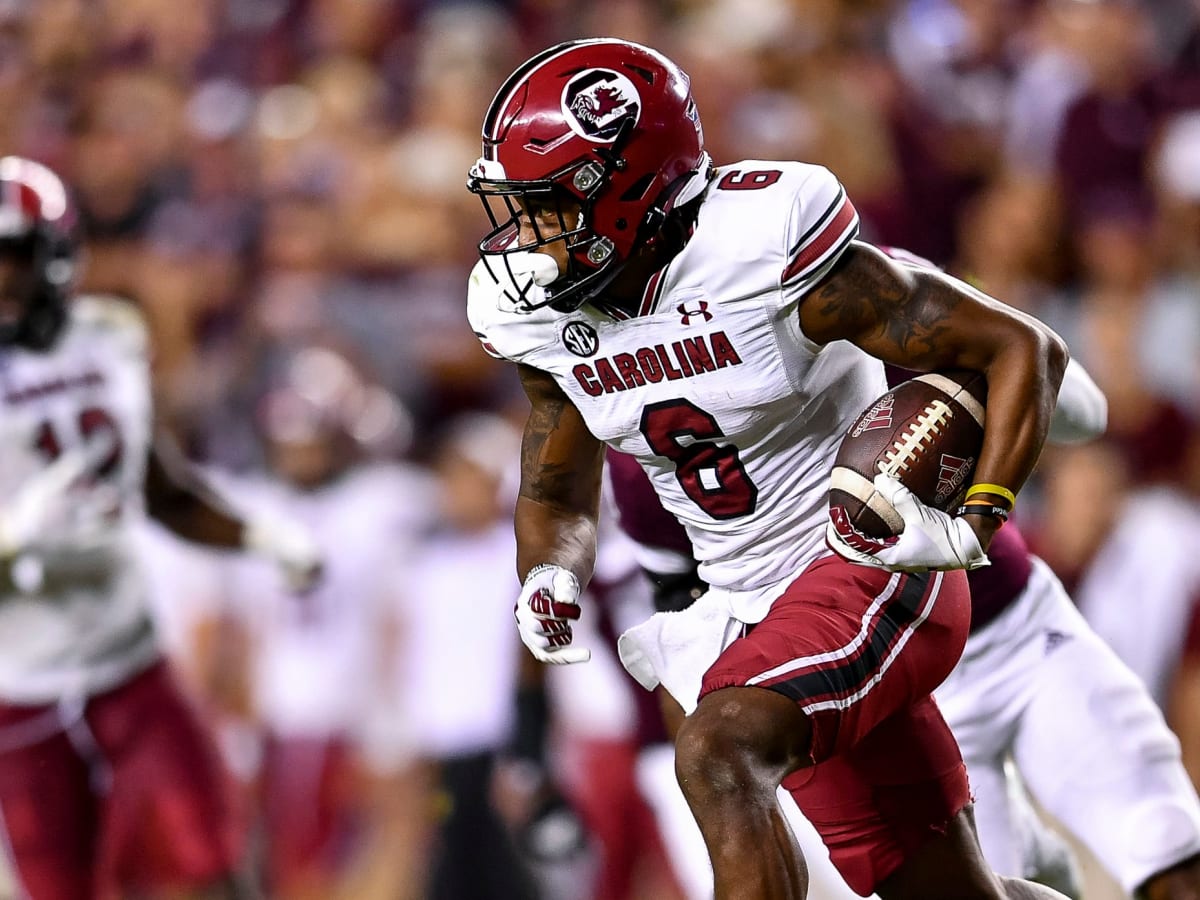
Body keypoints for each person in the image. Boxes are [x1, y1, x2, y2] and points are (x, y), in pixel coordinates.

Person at [465, 38, 1071, 900]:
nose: (531, 238)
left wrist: (973, 520)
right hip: (750, 607)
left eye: (552, 207)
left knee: (719, 748)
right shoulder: (536, 317)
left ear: (629, 190)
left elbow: (1019, 348)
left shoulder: (759, 249)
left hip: (870, 562)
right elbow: (557, 481)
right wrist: (548, 576)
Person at [606, 335, 1200, 900]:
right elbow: (688, 624)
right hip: (881, 685)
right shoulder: (643, 462)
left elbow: (1069, 398)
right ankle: (1034, 857)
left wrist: (1009, 396)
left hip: (1013, 626)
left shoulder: (842, 294)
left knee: (1165, 843)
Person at [0, 155, 321, 899]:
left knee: (214, 867)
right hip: (20, 689)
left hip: (130, 667)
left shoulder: (108, 336)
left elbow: (158, 485)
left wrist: (258, 537)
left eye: (14, 258)